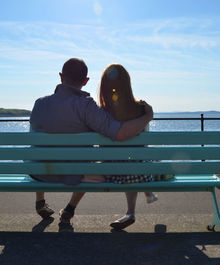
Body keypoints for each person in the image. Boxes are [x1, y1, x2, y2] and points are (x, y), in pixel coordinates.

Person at [30, 58, 153, 227]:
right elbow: (119, 133)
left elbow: (36, 143)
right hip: (74, 174)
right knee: (89, 164)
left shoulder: (39, 103)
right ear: (86, 81)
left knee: (44, 152)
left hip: (39, 172)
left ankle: (40, 201)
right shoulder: (86, 106)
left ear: (60, 77)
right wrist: (147, 116)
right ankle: (70, 209)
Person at [98, 64, 158, 230]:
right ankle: (133, 208)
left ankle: (70, 209)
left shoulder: (101, 112)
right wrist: (148, 116)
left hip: (110, 173)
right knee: (135, 160)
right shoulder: (142, 109)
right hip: (139, 173)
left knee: (125, 161)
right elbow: (143, 144)